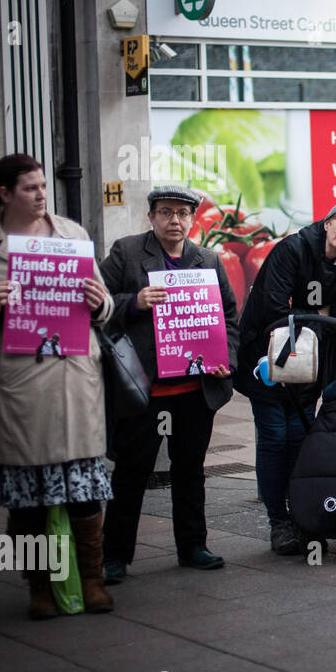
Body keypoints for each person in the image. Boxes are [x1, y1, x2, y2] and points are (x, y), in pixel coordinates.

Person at [0, 154, 116, 618]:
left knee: (84, 489)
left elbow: (104, 300)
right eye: (30, 188)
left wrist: (100, 304)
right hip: (14, 387)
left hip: (73, 381)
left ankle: (91, 580)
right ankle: (40, 588)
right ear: (5, 194)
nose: (41, 195)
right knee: (28, 497)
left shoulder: (71, 235)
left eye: (43, 186)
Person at [99, 185, 240, 582]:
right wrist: (133, 302)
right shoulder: (127, 252)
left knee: (190, 471)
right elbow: (95, 302)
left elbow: (229, 318)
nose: (174, 220)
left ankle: (193, 546)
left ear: (192, 219)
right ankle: (115, 556)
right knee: (130, 473)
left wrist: (224, 361)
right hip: (143, 390)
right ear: (151, 217)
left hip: (193, 392)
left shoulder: (207, 259)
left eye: (181, 213)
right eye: (165, 212)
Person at [234, 199, 336, 553]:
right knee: (275, 438)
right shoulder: (292, 248)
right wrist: (315, 313)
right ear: (327, 223)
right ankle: (279, 521)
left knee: (299, 438)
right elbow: (275, 308)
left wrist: (305, 313)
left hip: (310, 367)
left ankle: (301, 516)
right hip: (267, 358)